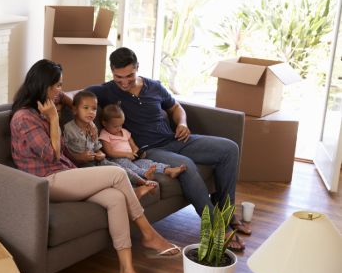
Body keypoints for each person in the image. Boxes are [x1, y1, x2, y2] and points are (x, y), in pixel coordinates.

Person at [10, 59, 180, 273]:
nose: (60, 90)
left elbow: (71, 100)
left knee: (115, 198)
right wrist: (54, 120)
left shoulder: (49, 101)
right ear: (44, 86)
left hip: (66, 173)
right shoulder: (24, 118)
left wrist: (85, 119)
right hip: (47, 181)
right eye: (57, 86)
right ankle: (149, 234)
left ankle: (127, 272)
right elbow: (52, 154)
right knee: (117, 173)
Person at [87, 47, 249, 251]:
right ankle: (216, 226)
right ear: (111, 71)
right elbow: (76, 98)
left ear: (137, 68)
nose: (125, 82)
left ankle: (226, 212)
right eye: (119, 77)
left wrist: (182, 123)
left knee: (229, 149)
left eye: (129, 75)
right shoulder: (107, 90)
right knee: (186, 166)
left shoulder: (154, 86)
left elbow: (175, 107)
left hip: (174, 139)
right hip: (150, 151)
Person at [62, 90, 157, 198]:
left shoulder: (93, 128)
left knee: (119, 169)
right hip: (84, 165)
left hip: (99, 161)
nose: (91, 112)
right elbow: (64, 152)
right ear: (74, 110)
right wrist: (79, 157)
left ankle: (142, 182)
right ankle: (134, 191)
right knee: (107, 176)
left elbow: (97, 147)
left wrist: (100, 154)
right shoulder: (68, 129)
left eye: (94, 109)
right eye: (86, 108)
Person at [99, 103, 187, 181]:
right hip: (117, 160)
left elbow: (133, 145)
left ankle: (168, 170)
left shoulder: (124, 132)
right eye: (115, 126)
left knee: (146, 162)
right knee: (130, 167)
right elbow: (109, 152)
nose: (119, 128)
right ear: (104, 123)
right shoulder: (105, 134)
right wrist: (125, 154)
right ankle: (145, 174)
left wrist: (136, 151)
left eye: (121, 125)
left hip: (131, 158)